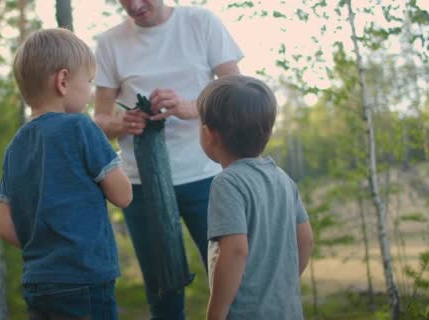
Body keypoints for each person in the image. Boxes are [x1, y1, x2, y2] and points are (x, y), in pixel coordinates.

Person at [93, 0, 244, 317]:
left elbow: (238, 91)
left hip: (207, 177)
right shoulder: (109, 43)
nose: (134, 5)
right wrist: (122, 123)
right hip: (142, 185)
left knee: (235, 289)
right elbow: (100, 120)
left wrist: (193, 107)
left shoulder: (200, 22)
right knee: (163, 297)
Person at [0, 28, 132, 319]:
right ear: (63, 81)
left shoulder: (15, 146)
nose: (92, 91)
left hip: (38, 280)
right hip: (85, 276)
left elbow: (3, 225)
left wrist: (45, 245)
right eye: (89, 82)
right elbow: (122, 195)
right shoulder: (80, 127)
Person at [196, 75, 314, 319]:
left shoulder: (227, 183)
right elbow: (306, 240)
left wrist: (215, 315)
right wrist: (280, 289)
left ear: (209, 134)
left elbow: (235, 251)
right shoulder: (282, 178)